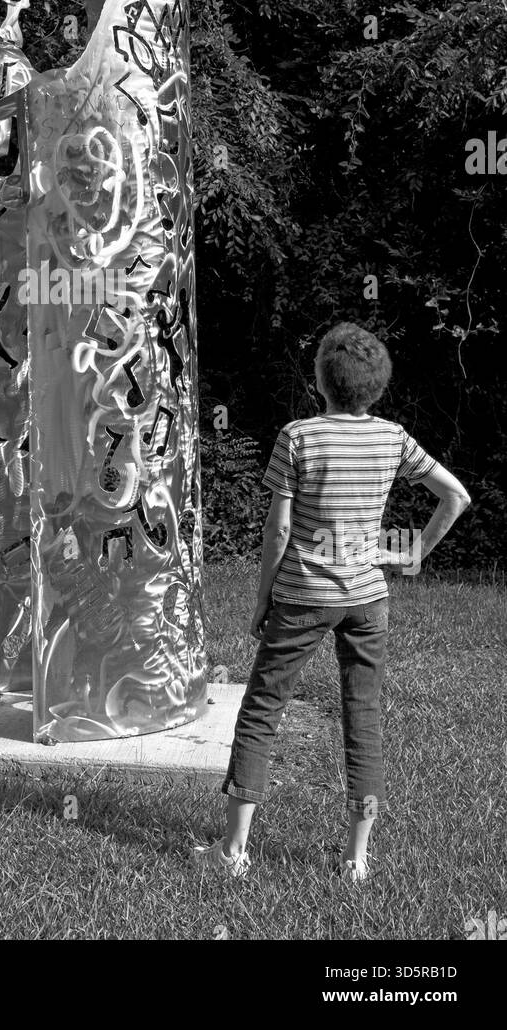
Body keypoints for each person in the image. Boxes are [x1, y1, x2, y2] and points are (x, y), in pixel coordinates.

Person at [193, 322, 471, 882]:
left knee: (262, 710)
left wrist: (262, 598)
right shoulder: (392, 439)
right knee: (362, 719)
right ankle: (357, 860)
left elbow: (278, 531)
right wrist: (411, 553)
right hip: (368, 598)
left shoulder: (298, 436)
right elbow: (456, 495)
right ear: (376, 387)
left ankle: (234, 851)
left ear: (321, 378)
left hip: (301, 596)